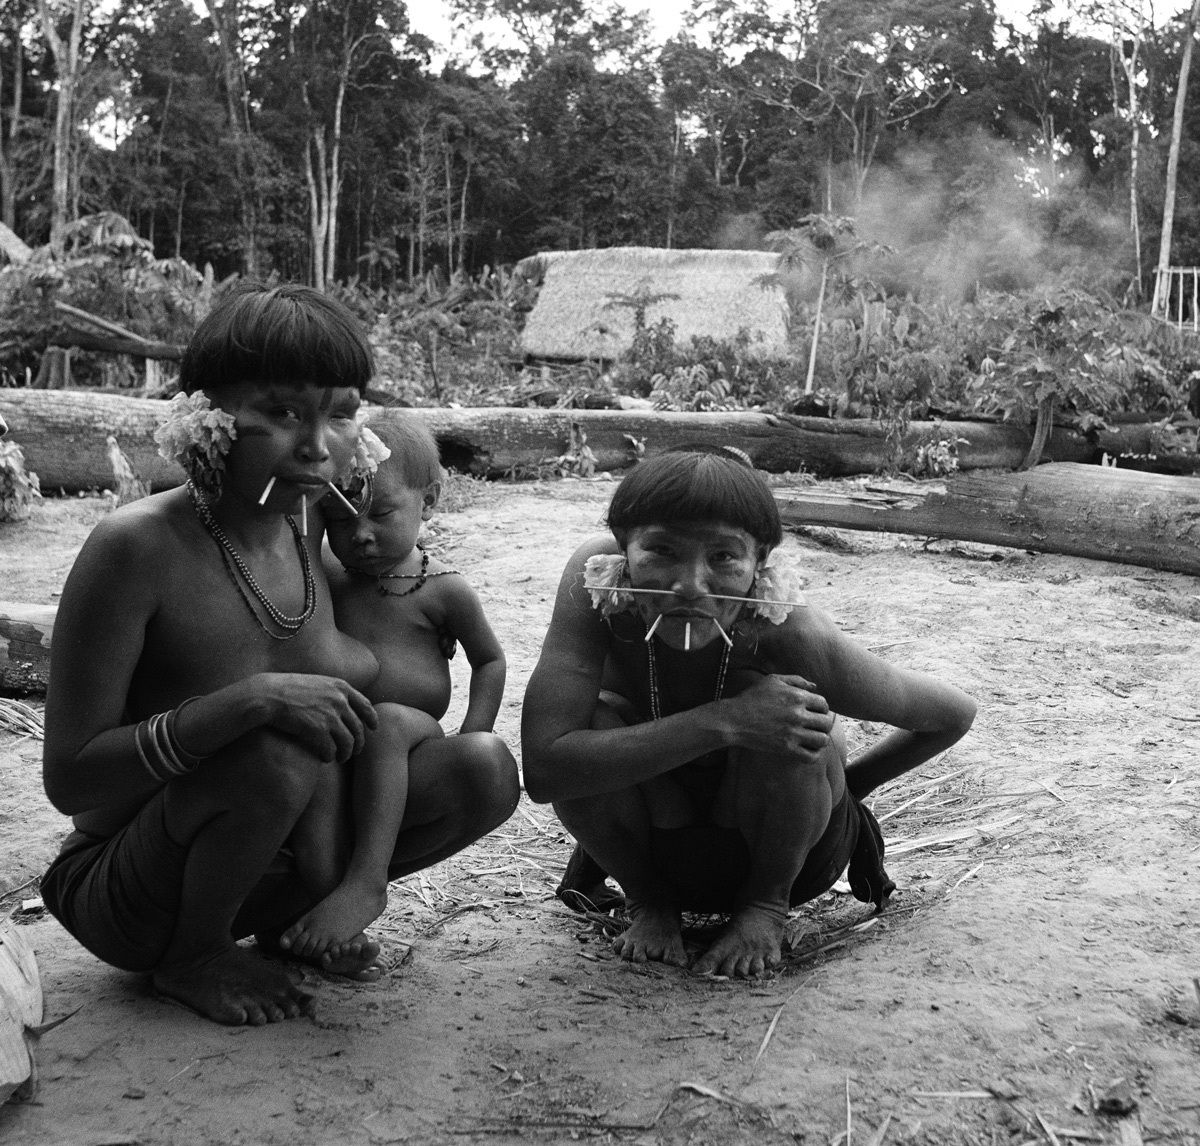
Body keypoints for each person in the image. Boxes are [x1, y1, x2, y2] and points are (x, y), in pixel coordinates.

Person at [40, 283, 519, 1026]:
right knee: (274, 744)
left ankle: (299, 921)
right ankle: (194, 956)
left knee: (481, 771)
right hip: (131, 888)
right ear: (204, 416)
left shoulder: (315, 531)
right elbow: (71, 780)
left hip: (284, 862)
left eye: (341, 413)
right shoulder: (136, 548)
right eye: (284, 413)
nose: (318, 446)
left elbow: (405, 625)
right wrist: (245, 704)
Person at [521, 446, 976, 979]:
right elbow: (546, 770)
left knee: (796, 723)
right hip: (648, 852)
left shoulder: (790, 632)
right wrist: (728, 721)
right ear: (622, 550)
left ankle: (763, 909)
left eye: (723, 557)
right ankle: (650, 902)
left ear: (762, 563)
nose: (690, 585)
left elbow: (952, 714)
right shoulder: (597, 591)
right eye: (661, 551)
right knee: (593, 724)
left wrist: (848, 787)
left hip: (789, 861)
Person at [275, 416, 507, 961]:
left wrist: (472, 731)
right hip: (338, 737)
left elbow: (490, 661)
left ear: (429, 501)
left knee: (389, 723)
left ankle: (368, 879)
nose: (360, 534)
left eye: (380, 514)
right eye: (341, 516)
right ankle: (319, 919)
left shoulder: (443, 588)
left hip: (410, 735)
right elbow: (300, 529)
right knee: (314, 781)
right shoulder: (326, 575)